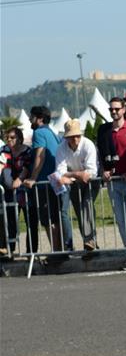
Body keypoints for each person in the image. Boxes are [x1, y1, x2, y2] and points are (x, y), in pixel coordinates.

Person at [96, 97, 126, 270]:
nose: (114, 112)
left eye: (117, 109)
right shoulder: (104, 131)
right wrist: (103, 170)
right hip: (114, 182)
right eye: (111, 110)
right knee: (122, 221)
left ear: (124, 110)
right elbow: (100, 154)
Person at [23, 106, 70, 256]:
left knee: (48, 218)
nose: (30, 119)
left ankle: (56, 252)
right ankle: (61, 249)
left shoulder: (39, 132)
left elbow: (40, 156)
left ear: (39, 118)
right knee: (55, 217)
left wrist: (32, 178)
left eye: (32, 117)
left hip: (45, 182)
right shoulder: (51, 132)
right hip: (54, 181)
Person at [52, 119, 99, 251]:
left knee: (86, 206)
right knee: (80, 212)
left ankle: (90, 240)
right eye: (72, 137)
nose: (75, 139)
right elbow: (60, 172)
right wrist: (77, 175)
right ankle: (89, 242)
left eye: (77, 136)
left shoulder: (88, 145)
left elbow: (91, 172)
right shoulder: (61, 148)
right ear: (66, 137)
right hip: (74, 183)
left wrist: (70, 174)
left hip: (91, 182)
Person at [0, 127, 33, 256]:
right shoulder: (4, 150)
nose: (9, 140)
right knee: (11, 220)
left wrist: (19, 179)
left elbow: (26, 168)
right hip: (9, 192)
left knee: (30, 222)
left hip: (25, 191)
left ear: (19, 139)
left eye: (12, 137)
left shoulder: (27, 151)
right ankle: (10, 249)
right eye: (7, 137)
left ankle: (31, 252)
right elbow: (2, 166)